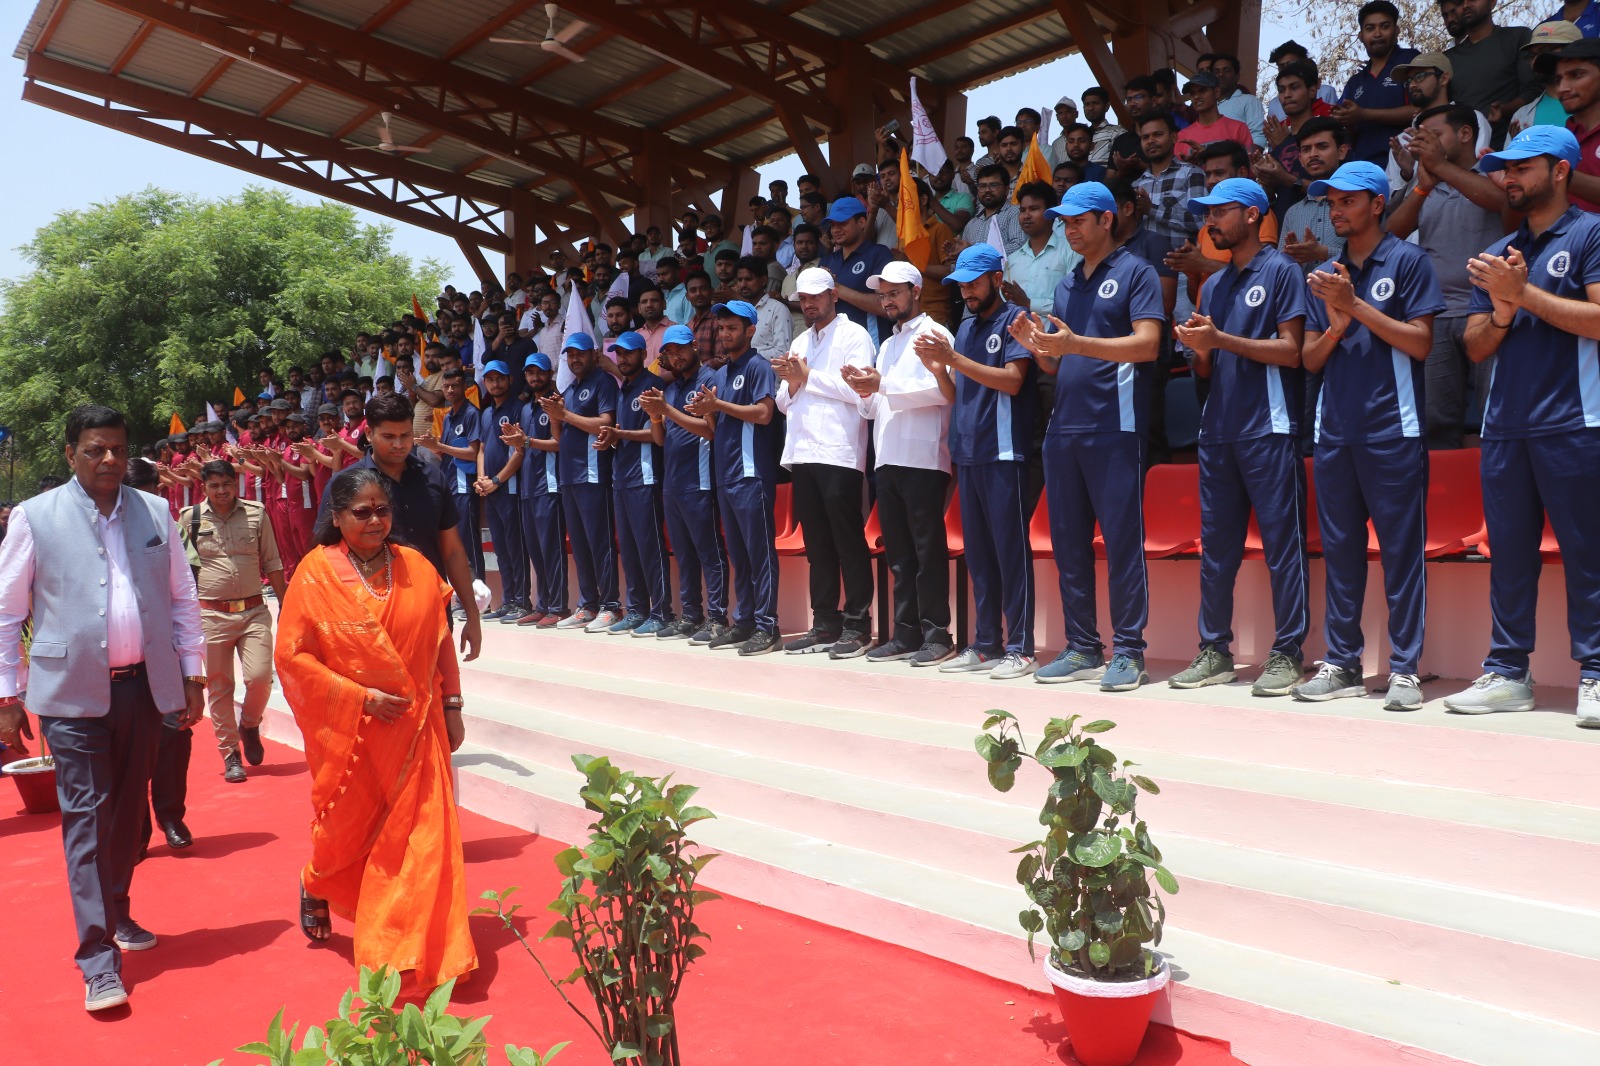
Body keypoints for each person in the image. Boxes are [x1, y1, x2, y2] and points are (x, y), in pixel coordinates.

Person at [0, 404, 206, 1012]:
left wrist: (192, 674)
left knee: (126, 819)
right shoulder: (36, 519)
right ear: (71, 454)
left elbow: (182, 598)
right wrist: (6, 694)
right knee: (87, 819)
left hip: (143, 689)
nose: (110, 460)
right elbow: (7, 613)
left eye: (117, 449)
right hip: (69, 696)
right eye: (95, 449)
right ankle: (97, 959)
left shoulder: (157, 512)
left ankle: (116, 908)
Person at [276, 466, 476, 991]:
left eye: (382, 510)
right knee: (345, 838)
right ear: (336, 517)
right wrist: (360, 698)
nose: (373, 520)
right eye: (360, 512)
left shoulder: (416, 567)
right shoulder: (314, 574)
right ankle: (316, 881)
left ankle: (400, 955)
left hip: (418, 732)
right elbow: (292, 658)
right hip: (353, 739)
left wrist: (452, 704)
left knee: (421, 841)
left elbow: (438, 642)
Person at [1443, 126, 1600, 725]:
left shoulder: (1590, 233)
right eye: (1505, 170)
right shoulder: (1503, 249)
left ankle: (1596, 672)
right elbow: (1476, 346)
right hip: (1505, 426)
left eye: (1522, 168)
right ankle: (1508, 672)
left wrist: (1524, 293)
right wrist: (1504, 309)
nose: (1509, 178)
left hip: (1576, 421)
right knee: (1508, 554)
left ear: (1560, 171)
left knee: (1588, 553)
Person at [1293, 161, 1445, 709]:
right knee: (1341, 553)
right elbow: (1309, 360)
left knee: (1402, 553)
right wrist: (1336, 322)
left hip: (1393, 430)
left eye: (1347, 201)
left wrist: (1355, 306)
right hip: (1334, 432)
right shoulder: (1324, 273)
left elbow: (1421, 343)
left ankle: (1404, 668)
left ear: (1378, 204)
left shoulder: (1408, 261)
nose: (1336, 210)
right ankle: (1341, 662)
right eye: (1330, 202)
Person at [1010, 182, 1164, 691]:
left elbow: (1146, 346)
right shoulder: (1067, 284)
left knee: (1121, 544)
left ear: (1105, 219)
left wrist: (1075, 342)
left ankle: (1129, 652)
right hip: (1064, 427)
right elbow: (1057, 361)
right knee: (1068, 544)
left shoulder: (1137, 271)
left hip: (1115, 426)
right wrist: (1037, 347)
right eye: (1066, 222)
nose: (1070, 229)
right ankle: (1081, 646)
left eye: (1078, 220)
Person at [1172, 177, 1312, 698]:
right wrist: (1199, 350)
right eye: (1207, 213)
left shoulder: (1282, 271)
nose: (1210, 222)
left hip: (1269, 427)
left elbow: (1292, 350)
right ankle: (1215, 650)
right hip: (1219, 431)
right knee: (1218, 551)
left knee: (1282, 547)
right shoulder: (1214, 285)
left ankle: (1288, 653)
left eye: (1221, 212)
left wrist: (1221, 340)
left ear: (1253, 214)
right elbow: (1207, 368)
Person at [923, 244, 1038, 680]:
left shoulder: (1015, 321)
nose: (967, 291)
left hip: (1004, 450)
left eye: (974, 282)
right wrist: (939, 371)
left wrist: (953, 359)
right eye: (961, 285)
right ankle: (986, 643)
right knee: (980, 555)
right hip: (968, 454)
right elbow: (958, 395)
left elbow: (1012, 382)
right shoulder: (967, 327)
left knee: (1011, 552)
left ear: (996, 277)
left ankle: (1022, 647)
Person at [314, 393, 484, 665]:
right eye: (389, 436)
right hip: (372, 623)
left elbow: (452, 551)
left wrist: (473, 616)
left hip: (431, 613)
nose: (399, 444)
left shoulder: (433, 477)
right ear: (369, 433)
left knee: (439, 699)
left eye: (405, 436)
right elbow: (323, 560)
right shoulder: (346, 485)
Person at [845, 263, 955, 666]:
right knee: (900, 556)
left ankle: (937, 634)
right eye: (884, 294)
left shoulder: (936, 334)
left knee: (927, 552)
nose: (888, 301)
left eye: (895, 293)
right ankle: (905, 633)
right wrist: (861, 390)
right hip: (888, 457)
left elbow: (942, 392)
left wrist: (882, 386)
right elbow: (876, 406)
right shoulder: (888, 345)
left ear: (916, 291)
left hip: (923, 458)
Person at [1385, 106, 1509, 448]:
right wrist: (1423, 187)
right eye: (1421, 137)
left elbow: (1504, 204)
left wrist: (1440, 166)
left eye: (1435, 135)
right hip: (1438, 314)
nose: (1425, 144)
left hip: (1489, 313)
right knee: (1437, 421)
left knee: (1495, 416)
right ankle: (1445, 498)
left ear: (1466, 134)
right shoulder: (1427, 179)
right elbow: (1390, 238)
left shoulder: (1494, 171)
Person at [774, 268, 877, 658]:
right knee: (817, 544)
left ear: (834, 294)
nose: (809, 303)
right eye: (803, 298)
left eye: (816, 296)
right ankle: (825, 623)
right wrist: (796, 380)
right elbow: (784, 399)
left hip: (839, 450)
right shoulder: (800, 338)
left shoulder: (856, 335)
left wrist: (808, 376)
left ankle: (857, 626)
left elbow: (860, 391)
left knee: (848, 540)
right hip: (802, 451)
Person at [181, 458, 288, 787]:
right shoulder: (190, 519)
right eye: (214, 486)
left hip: (254, 611)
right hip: (210, 614)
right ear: (204, 488)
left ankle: (251, 724)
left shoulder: (256, 513)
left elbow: (272, 560)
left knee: (260, 678)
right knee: (219, 686)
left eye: (227, 484)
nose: (222, 491)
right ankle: (230, 754)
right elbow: (183, 573)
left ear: (235, 484)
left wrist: (288, 603)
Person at [685, 300, 782, 655]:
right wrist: (704, 413)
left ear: (750, 330)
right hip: (725, 475)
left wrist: (719, 407)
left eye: (732, 328)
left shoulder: (758, 367)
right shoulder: (720, 374)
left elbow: (764, 413)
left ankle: (768, 626)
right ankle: (744, 622)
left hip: (752, 473)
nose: (724, 334)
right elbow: (714, 430)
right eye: (721, 328)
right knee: (739, 556)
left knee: (760, 554)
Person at [640, 325, 728, 644]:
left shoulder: (709, 379)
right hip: (673, 484)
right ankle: (691, 615)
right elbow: (660, 440)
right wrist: (655, 416)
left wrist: (666, 410)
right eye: (669, 352)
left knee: (709, 552)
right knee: (684, 554)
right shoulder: (673, 388)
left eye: (680, 349)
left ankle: (717, 617)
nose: (676, 356)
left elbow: (710, 430)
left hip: (700, 480)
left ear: (694, 347)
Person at [598, 331, 674, 637]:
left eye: (629, 353)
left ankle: (661, 612)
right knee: (628, 550)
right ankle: (638, 609)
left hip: (646, 477)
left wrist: (621, 435)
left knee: (650, 549)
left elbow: (658, 435)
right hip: (622, 477)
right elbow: (623, 430)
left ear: (643, 355)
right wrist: (611, 439)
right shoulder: (622, 388)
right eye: (619, 354)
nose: (623, 358)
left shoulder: (652, 385)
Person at [547, 333, 622, 632]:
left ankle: (611, 606)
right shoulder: (569, 387)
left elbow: (606, 422)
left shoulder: (603, 381)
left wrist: (564, 413)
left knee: (599, 544)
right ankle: (588, 604)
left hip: (592, 474)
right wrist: (555, 415)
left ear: (593, 354)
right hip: (569, 476)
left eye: (580, 353)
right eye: (570, 355)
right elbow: (559, 435)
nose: (574, 359)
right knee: (579, 544)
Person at [503, 352, 567, 628]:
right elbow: (523, 447)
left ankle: (559, 607)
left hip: (549, 485)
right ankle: (543, 605)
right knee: (536, 551)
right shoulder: (527, 407)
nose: (534, 377)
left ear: (550, 374)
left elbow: (558, 442)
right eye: (530, 373)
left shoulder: (555, 403)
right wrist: (517, 441)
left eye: (539, 372)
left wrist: (526, 441)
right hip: (528, 487)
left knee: (551, 549)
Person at [474, 360, 529, 622]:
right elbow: (482, 449)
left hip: (510, 488)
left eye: (500, 378)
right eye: (490, 379)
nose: (495, 383)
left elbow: (520, 451)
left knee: (515, 546)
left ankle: (522, 601)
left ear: (509, 380)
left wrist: (496, 480)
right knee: (501, 549)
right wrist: (482, 478)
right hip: (492, 489)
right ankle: (508, 600)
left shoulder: (518, 408)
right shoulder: (486, 413)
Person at [1441, 0, 1539, 148]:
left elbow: (1534, 90)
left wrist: (1506, 108)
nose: (1466, 5)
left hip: (1509, 150)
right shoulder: (1447, 59)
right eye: (1461, 2)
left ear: (1492, 2)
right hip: (1462, 156)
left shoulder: (1517, 37)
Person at [1335, 1, 1421, 166]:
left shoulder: (1410, 60)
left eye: (1384, 26)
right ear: (1361, 36)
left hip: (1406, 163)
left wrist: (1363, 114)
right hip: (1364, 168)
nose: (1377, 34)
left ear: (1396, 30)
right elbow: (1350, 136)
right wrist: (1346, 120)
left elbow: (1420, 110)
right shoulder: (1355, 83)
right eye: (1370, 28)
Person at [422, 369, 485, 589]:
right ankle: (465, 592)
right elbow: (449, 452)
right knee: (457, 544)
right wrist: (433, 448)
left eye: (455, 385)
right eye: (446, 386)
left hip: (465, 486)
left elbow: (472, 452)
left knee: (469, 542)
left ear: (464, 388)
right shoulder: (448, 417)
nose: (450, 390)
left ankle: (479, 592)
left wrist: (438, 446)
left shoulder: (471, 413)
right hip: (451, 484)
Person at [818, 198, 895, 345]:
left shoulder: (879, 253)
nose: (835, 230)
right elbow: (811, 320)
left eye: (842, 223)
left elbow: (886, 305)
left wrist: (836, 288)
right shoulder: (826, 261)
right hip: (832, 348)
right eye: (833, 225)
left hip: (869, 347)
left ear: (861, 222)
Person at [1510, 21, 1583, 138]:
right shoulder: (1521, 117)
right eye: (1532, 55)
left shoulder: (1593, 107)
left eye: (1544, 52)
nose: (1536, 61)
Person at [1175, 72, 1254, 160]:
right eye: (1192, 93)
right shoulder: (1182, 136)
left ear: (1216, 92)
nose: (1196, 96)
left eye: (1202, 90)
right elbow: (1177, 172)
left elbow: (1249, 167)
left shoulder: (1239, 128)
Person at [1213, 52, 1268, 147]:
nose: (1220, 74)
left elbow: (1258, 136)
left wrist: (1249, 159)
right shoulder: (1208, 106)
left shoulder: (1249, 100)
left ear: (1237, 76)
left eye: (1226, 70)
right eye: (1216, 71)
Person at [1082, 86, 1125, 163]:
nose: (1090, 108)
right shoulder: (1081, 135)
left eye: (1095, 103)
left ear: (1107, 106)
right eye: (1087, 104)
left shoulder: (1117, 132)